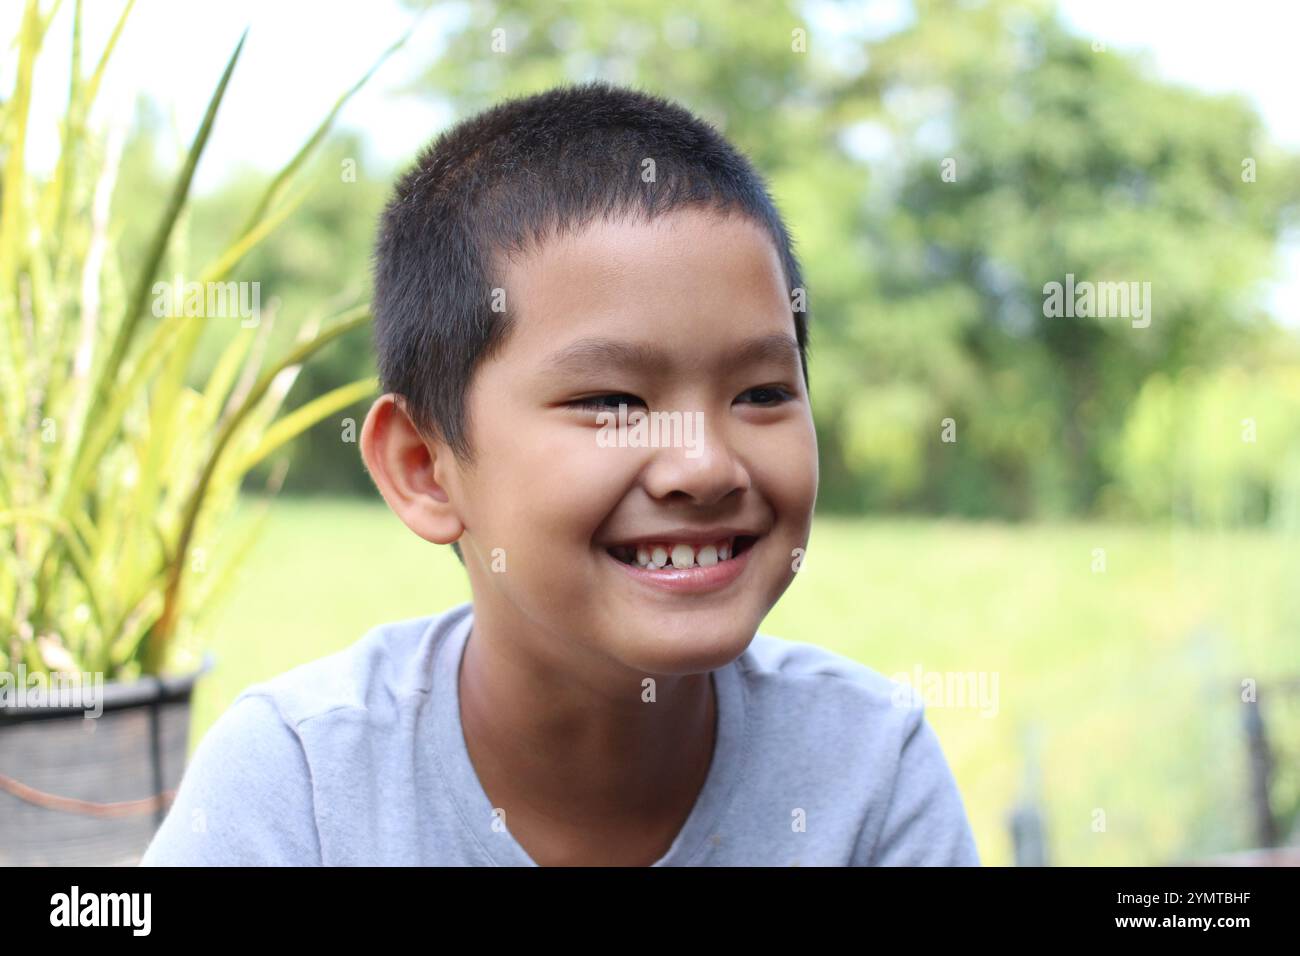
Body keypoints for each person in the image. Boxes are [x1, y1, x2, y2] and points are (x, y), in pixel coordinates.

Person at [141, 81, 979, 866]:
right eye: (611, 401)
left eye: (760, 392)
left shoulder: (869, 770)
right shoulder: (301, 786)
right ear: (425, 468)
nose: (705, 465)